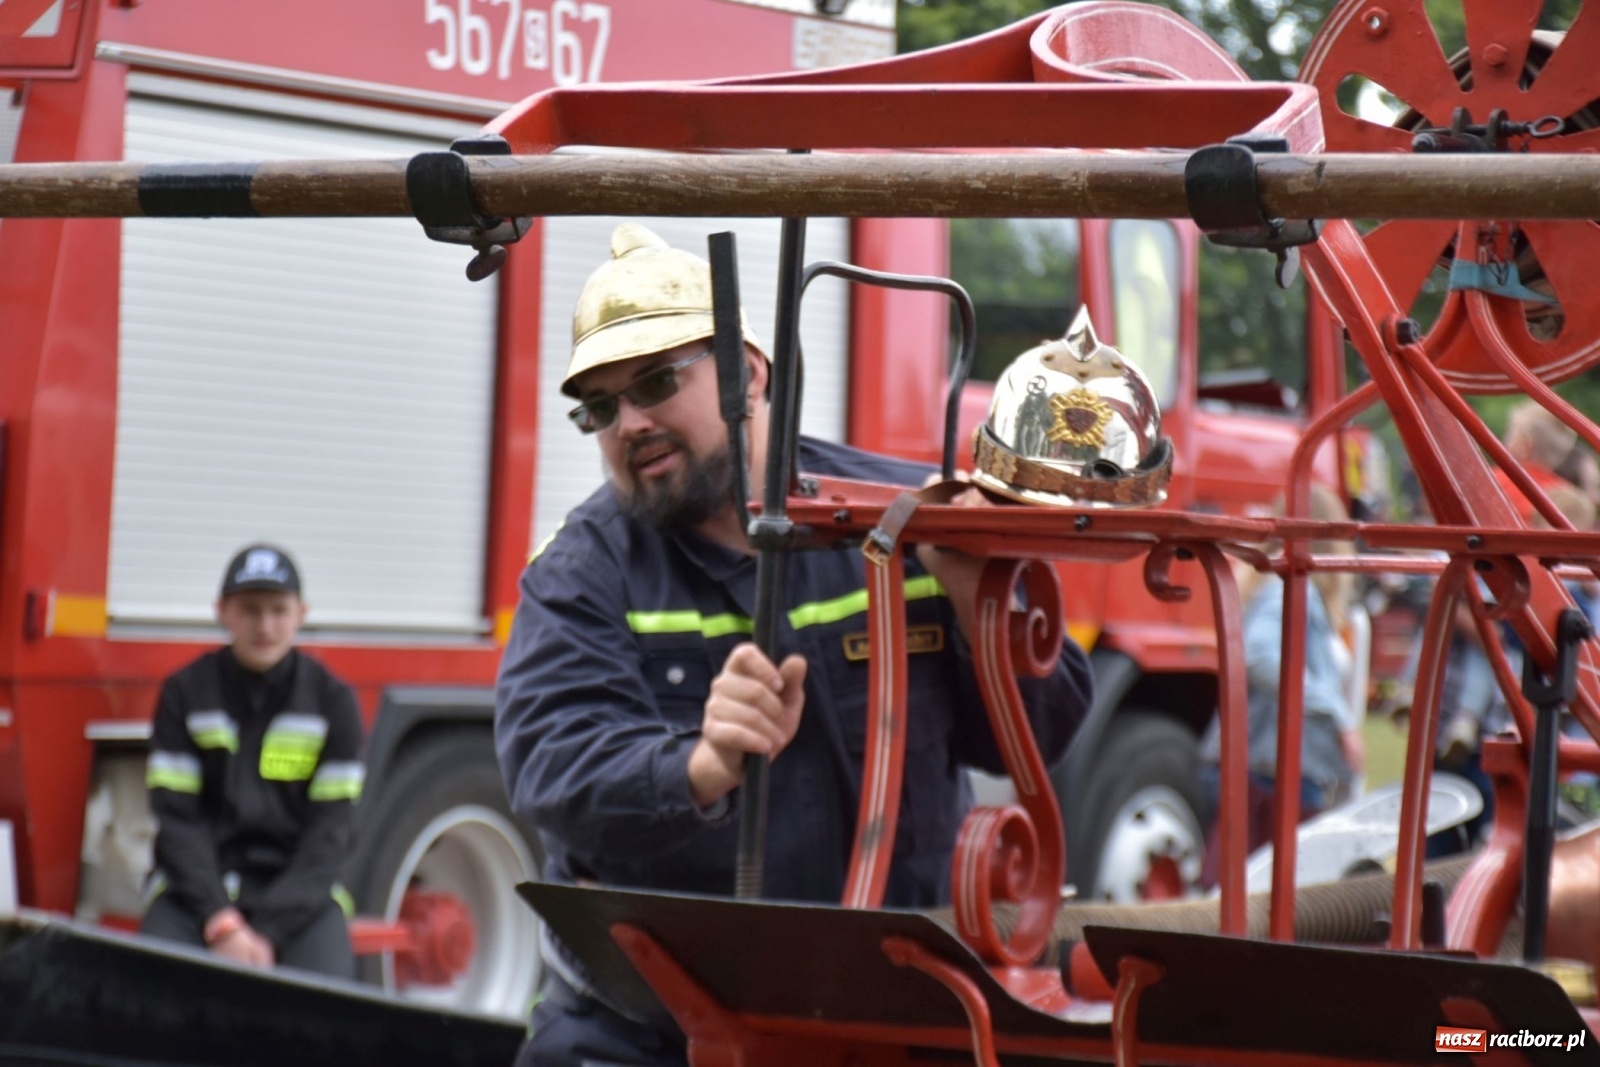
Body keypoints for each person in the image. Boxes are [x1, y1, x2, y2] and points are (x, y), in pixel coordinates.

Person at [494, 224, 1093, 1066]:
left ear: (750, 372)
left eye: (657, 382)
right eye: (599, 406)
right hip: (655, 1027)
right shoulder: (579, 573)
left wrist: (973, 597)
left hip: (899, 1015)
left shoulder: (908, 515)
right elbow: (550, 767)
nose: (628, 423)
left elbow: (1042, 731)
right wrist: (698, 766)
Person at [142, 544, 364, 978]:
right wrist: (221, 921)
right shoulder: (184, 694)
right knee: (148, 990)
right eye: (250, 610)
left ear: (302, 612)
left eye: (279, 610)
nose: (265, 625)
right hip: (194, 892)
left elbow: (331, 834)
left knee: (327, 1011)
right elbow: (176, 823)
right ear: (222, 612)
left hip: (300, 897)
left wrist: (267, 930)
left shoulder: (333, 702)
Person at [1200, 485, 1361, 880]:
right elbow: (1260, 653)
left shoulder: (1275, 583)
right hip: (1276, 773)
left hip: (1267, 766)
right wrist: (1337, 716)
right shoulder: (1294, 586)